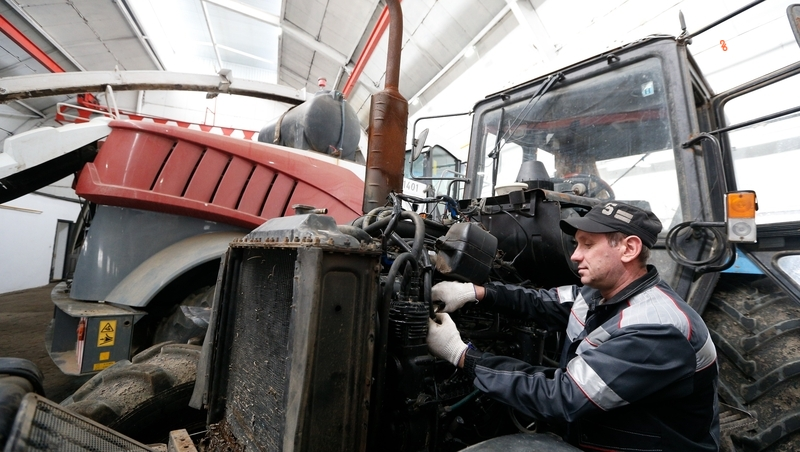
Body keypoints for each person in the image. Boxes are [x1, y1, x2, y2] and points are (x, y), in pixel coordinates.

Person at [426, 202, 720, 451]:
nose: (576, 255)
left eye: (588, 245)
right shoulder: (597, 293)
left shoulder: (657, 328)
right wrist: (475, 292)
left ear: (629, 249)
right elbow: (542, 302)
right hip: (591, 434)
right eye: (577, 244)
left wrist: (460, 354)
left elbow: (561, 396)